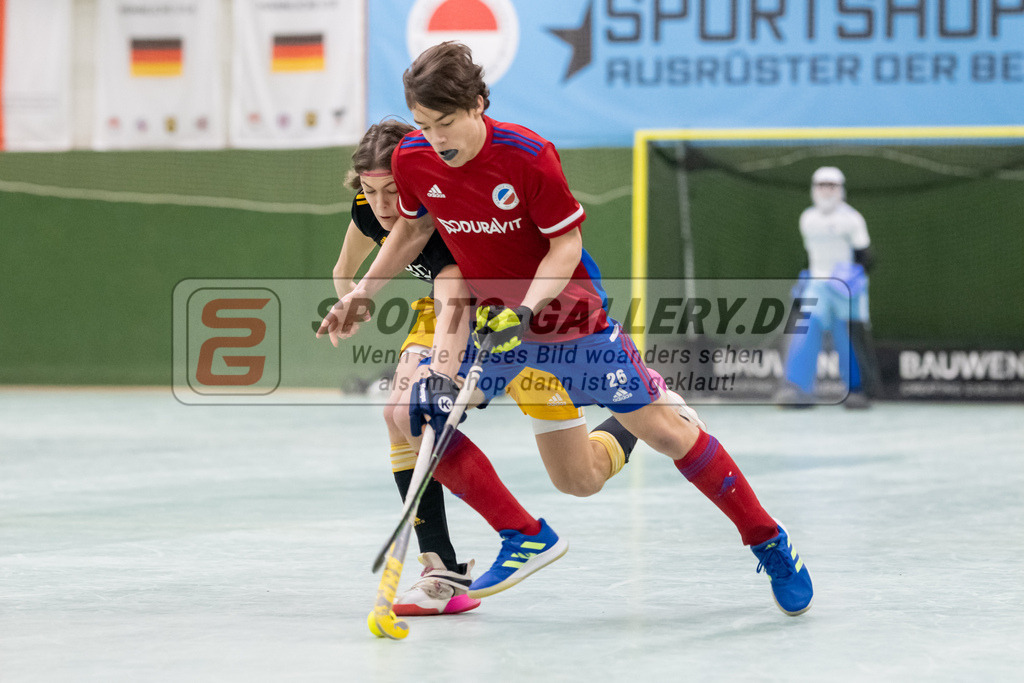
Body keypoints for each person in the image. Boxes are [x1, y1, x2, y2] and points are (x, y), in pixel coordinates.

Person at [322, 42, 813, 616]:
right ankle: (524, 536)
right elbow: (411, 231)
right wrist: (362, 292)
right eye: (425, 125)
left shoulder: (528, 156)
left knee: (659, 437)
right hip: (493, 323)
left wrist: (527, 309)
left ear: (478, 104)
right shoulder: (413, 158)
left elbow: (566, 245)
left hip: (568, 318)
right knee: (419, 412)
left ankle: (768, 540)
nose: (436, 139)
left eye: (446, 123)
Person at [329, 119, 654, 615]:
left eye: (393, 190)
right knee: (402, 412)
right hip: (446, 312)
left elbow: (455, 296)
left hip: (515, 321)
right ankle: (444, 570)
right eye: (371, 192)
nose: (384, 206)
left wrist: (441, 376)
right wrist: (353, 299)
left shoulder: (438, 213)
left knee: (579, 478)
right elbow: (344, 269)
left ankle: (642, 414)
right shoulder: (370, 208)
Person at [778, 166, 881, 409]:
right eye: (822, 185)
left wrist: (853, 275)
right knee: (805, 331)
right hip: (817, 287)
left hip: (847, 290)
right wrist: (810, 277)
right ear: (814, 189)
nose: (827, 191)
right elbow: (811, 254)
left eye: (832, 186)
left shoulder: (852, 219)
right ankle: (798, 390)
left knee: (849, 337)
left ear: (841, 189)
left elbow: (866, 255)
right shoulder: (808, 219)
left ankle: (858, 390)